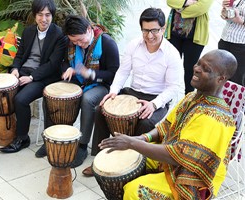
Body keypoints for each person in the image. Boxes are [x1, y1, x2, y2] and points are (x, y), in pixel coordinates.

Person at [99, 49, 237, 199]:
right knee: (126, 159)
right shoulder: (192, 96)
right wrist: (143, 138)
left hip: (192, 178)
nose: (197, 68)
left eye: (206, 69)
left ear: (220, 79)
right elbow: (166, 126)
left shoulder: (214, 119)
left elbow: (178, 156)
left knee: (134, 190)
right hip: (175, 158)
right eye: (198, 63)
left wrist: (132, 143)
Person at [82, 7, 185, 176]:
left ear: (163, 28)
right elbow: (123, 71)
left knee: (145, 123)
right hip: (132, 92)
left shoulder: (172, 54)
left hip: (156, 98)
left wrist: (154, 104)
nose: (150, 36)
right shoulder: (133, 45)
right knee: (101, 110)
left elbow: (174, 87)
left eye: (154, 31)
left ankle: (132, 165)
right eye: (145, 30)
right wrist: (114, 91)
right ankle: (100, 159)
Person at [0, 0, 67, 153]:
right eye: (40, 15)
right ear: (34, 15)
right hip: (22, 71)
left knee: (21, 99)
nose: (44, 19)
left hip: (43, 77)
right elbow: (20, 54)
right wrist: (15, 69)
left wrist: (31, 77)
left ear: (52, 16)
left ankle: (22, 137)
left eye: (47, 15)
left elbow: (53, 64)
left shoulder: (59, 35)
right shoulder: (28, 31)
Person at [35, 15, 120, 168]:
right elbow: (64, 61)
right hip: (77, 80)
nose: (79, 44)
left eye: (81, 40)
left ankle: (82, 145)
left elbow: (114, 73)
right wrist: (67, 67)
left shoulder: (107, 43)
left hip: (100, 84)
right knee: (50, 94)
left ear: (89, 30)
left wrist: (91, 74)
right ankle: (51, 136)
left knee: (87, 99)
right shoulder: (70, 42)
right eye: (75, 42)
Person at [165, 0, 214, 94]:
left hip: (195, 37)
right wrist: (186, 2)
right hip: (174, 32)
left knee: (190, 69)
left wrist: (180, 8)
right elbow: (170, 1)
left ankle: (188, 97)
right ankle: (166, 95)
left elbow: (201, 8)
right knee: (168, 64)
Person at [219, 0, 245, 86]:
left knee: (236, 80)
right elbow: (229, 15)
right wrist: (225, 12)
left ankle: (234, 99)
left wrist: (240, 21)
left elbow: (239, 18)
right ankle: (218, 99)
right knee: (220, 75)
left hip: (241, 43)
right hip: (225, 39)